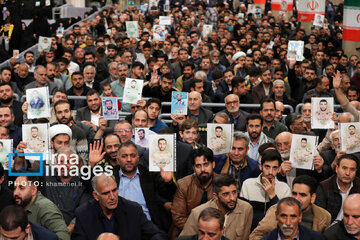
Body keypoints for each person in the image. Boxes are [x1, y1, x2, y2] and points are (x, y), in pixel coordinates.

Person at [72, 174, 168, 240]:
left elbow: (157, 234)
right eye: (106, 193)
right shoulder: (83, 214)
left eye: (114, 190)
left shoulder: (133, 210)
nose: (112, 197)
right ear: (96, 196)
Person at [250, 175, 331, 240]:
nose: (297, 198)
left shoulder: (324, 216)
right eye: (294, 193)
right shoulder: (276, 209)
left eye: (302, 195)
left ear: (312, 198)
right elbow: (255, 236)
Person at [180, 174, 253, 240]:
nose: (232, 198)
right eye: (226, 194)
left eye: (234, 192)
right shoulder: (197, 213)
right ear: (215, 196)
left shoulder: (246, 209)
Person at [240, 149, 291, 229]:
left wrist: (272, 195)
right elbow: (242, 215)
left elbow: (285, 218)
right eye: (267, 167)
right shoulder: (248, 184)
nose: (270, 172)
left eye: (274, 168)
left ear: (279, 169)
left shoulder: (285, 188)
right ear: (261, 166)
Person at [172, 147, 216, 235]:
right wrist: (203, 231)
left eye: (206, 164)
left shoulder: (221, 184)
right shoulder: (183, 184)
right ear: (193, 168)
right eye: (198, 166)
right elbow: (178, 219)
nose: (203, 169)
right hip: (188, 232)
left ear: (213, 164)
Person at [12, 176, 70, 240]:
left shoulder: (45, 207)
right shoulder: (20, 204)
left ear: (33, 190)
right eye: (14, 188)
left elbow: (64, 236)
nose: (15, 193)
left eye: (21, 188)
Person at [315, 154, 360, 224]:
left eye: (352, 169)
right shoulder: (324, 187)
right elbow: (319, 219)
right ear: (336, 169)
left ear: (356, 171)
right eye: (344, 168)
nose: (348, 173)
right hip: (330, 229)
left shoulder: (358, 185)